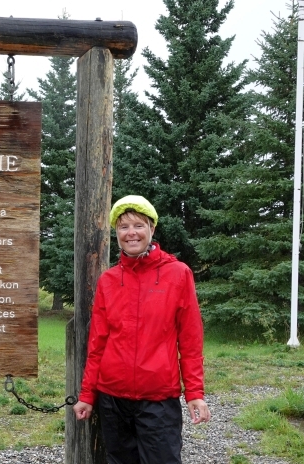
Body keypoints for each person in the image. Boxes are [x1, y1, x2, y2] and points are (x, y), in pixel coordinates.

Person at [72, 195, 210, 464]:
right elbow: (97, 343)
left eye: (139, 225)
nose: (131, 233)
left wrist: (194, 393)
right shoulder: (109, 280)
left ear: (152, 229)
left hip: (158, 399)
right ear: (116, 232)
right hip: (113, 400)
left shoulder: (178, 274)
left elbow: (190, 340)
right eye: (123, 227)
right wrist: (87, 395)